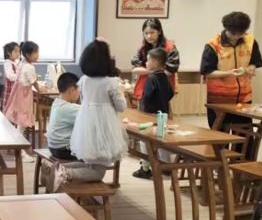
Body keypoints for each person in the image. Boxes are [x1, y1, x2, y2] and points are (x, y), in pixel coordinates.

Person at [58, 39, 127, 187]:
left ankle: (59, 167)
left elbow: (84, 101)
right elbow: (121, 107)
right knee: (98, 172)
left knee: (90, 163)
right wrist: (121, 90)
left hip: (86, 126)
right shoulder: (110, 82)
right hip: (104, 127)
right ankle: (66, 174)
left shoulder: (84, 80)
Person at [201, 11, 262, 129]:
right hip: (219, 99)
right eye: (233, 33)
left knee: (243, 134)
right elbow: (207, 72)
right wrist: (230, 73)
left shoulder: (250, 41)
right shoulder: (213, 45)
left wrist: (251, 68)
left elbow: (255, 62)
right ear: (226, 28)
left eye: (241, 33)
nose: (236, 37)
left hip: (244, 98)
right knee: (219, 134)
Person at [133, 48, 175, 179]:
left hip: (149, 115)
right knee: (162, 139)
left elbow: (147, 96)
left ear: (155, 63)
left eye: (148, 60)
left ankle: (145, 169)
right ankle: (166, 167)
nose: (146, 63)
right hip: (163, 114)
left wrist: (142, 110)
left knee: (145, 141)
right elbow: (171, 93)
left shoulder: (151, 77)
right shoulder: (165, 76)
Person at [4, 41, 45, 163]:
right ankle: (20, 152)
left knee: (20, 124)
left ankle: (20, 151)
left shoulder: (22, 63)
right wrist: (41, 90)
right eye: (35, 53)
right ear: (28, 54)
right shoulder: (29, 67)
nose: (38, 55)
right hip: (23, 96)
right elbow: (34, 82)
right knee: (21, 125)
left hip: (19, 94)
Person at [131, 18, 179, 103]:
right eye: (146, 33)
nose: (149, 36)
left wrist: (146, 71)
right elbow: (135, 69)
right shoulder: (143, 48)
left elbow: (170, 70)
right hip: (145, 87)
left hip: (162, 86)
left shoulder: (170, 47)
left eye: (152, 32)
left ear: (159, 31)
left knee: (162, 109)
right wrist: (155, 71)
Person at [47, 72, 81, 161]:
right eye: (79, 90)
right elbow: (91, 116)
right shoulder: (70, 108)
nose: (79, 93)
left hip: (53, 147)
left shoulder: (56, 102)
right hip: (64, 150)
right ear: (72, 90)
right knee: (95, 151)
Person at [0, 41, 20, 111]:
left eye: (19, 51)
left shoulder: (16, 62)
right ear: (8, 52)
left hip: (16, 88)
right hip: (10, 89)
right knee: (9, 107)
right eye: (16, 51)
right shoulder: (7, 62)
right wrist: (20, 76)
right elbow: (10, 76)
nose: (18, 53)